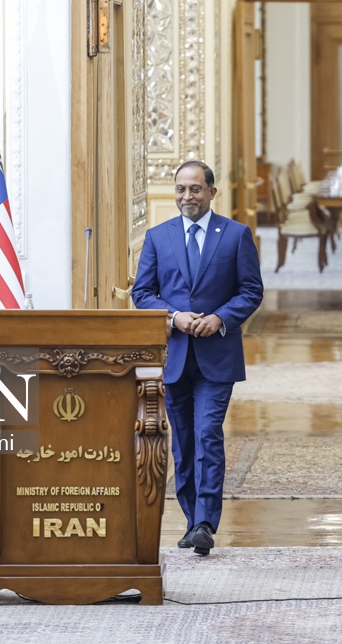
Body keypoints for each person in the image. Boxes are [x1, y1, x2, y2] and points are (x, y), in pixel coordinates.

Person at [132, 161, 264, 556]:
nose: (186, 196)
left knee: (207, 433)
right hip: (174, 356)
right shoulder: (157, 237)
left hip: (216, 356)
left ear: (211, 192)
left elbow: (251, 290)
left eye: (195, 189)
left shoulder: (236, 235)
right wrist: (174, 317)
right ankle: (192, 521)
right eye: (180, 189)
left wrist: (220, 318)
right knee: (184, 442)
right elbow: (143, 293)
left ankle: (206, 521)